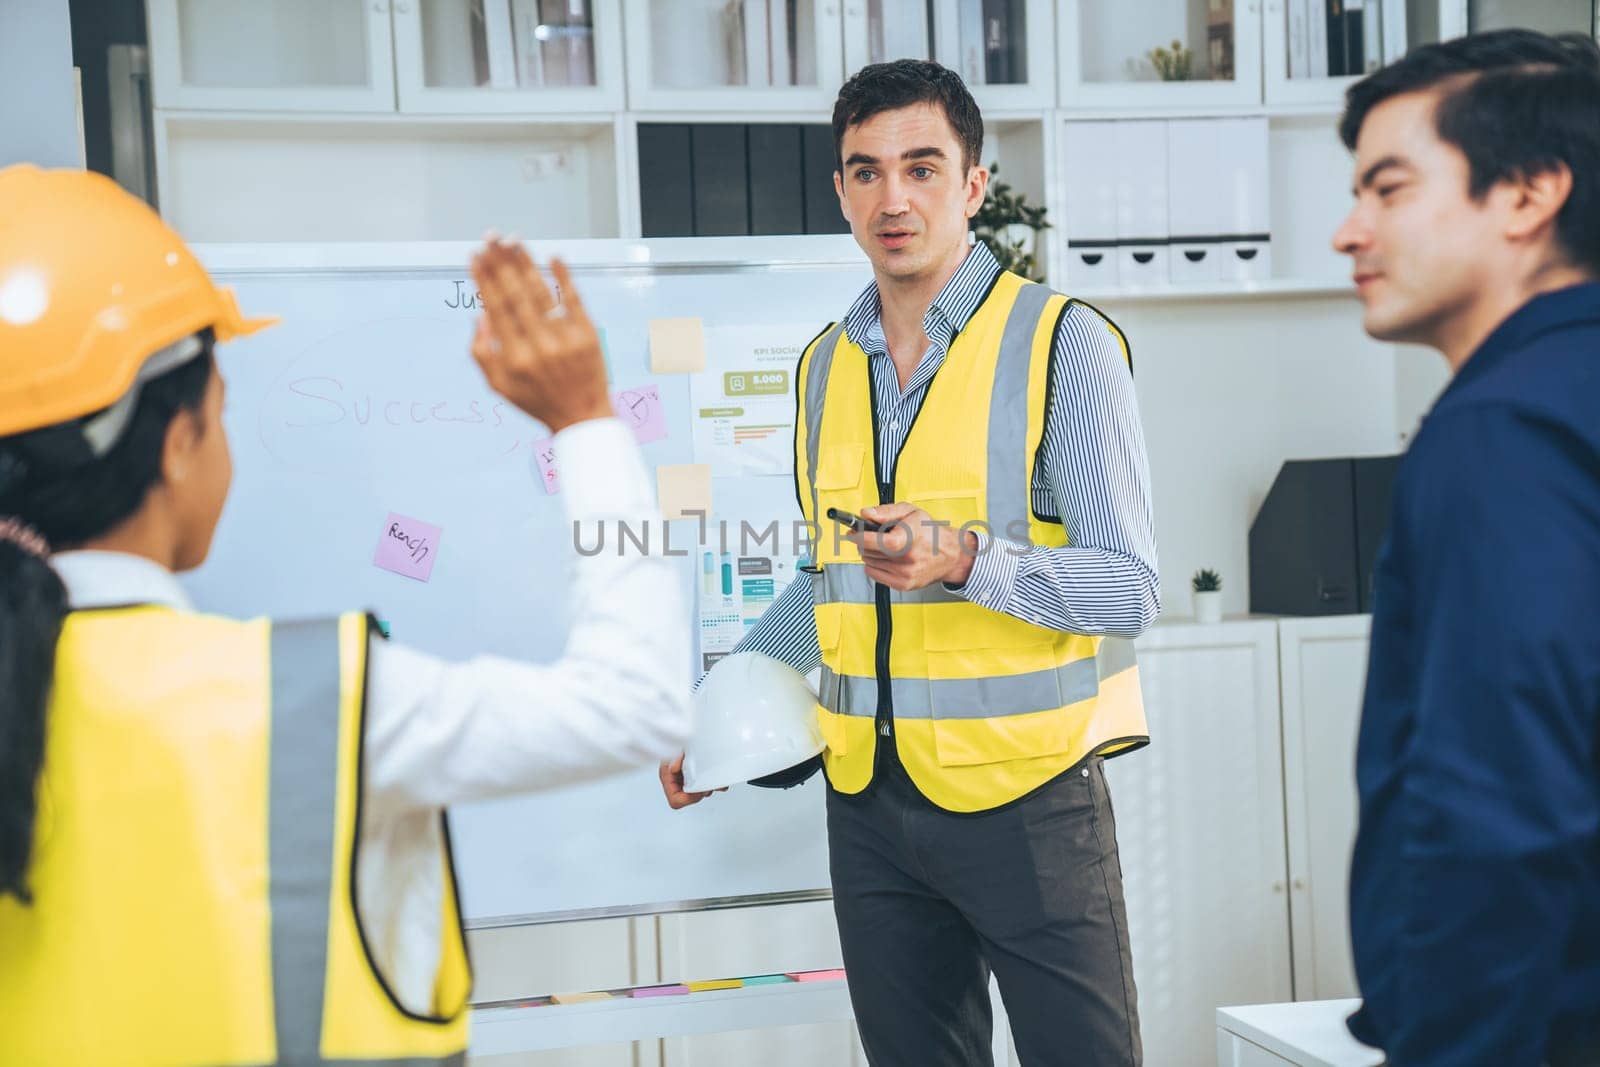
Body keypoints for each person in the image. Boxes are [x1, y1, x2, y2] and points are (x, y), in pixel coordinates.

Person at [0, 165, 690, 1065]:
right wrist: (588, 422)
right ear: (178, 444)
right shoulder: (313, 700)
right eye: (223, 412)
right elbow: (638, 703)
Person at [661, 61, 1159, 1066]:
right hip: (872, 806)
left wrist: (966, 559)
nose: (894, 197)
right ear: (839, 190)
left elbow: (1129, 587)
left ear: (972, 184)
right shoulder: (821, 365)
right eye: (865, 171)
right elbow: (824, 578)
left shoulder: (1065, 346)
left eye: (922, 168)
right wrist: (718, 712)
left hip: (1031, 797)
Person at [1333, 29, 1600, 1067]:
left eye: (1388, 190)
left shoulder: (1502, 428)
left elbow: (1498, 795)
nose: (1347, 232)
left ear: (1528, 192)